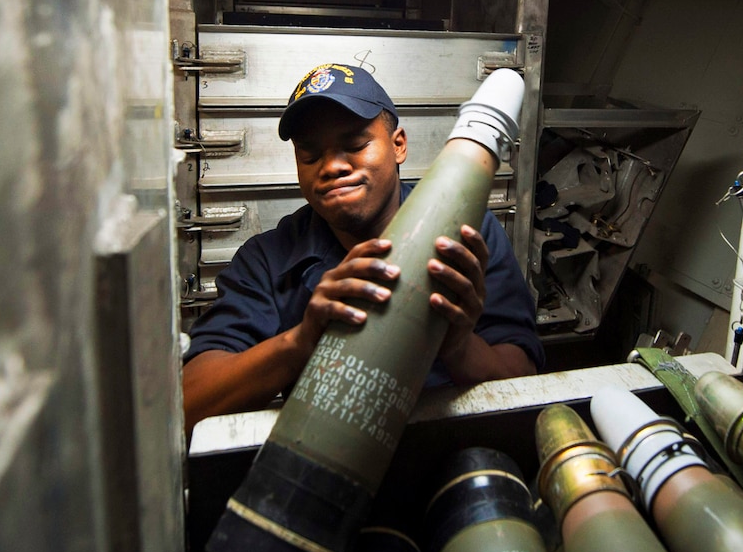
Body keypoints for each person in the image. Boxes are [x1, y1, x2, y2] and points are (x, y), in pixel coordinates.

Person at [182, 62, 541, 429]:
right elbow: (189, 402)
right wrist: (302, 340)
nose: (333, 166)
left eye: (354, 144)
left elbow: (524, 379)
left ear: (398, 145)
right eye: (309, 154)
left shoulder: (465, 233)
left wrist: (457, 347)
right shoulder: (267, 260)